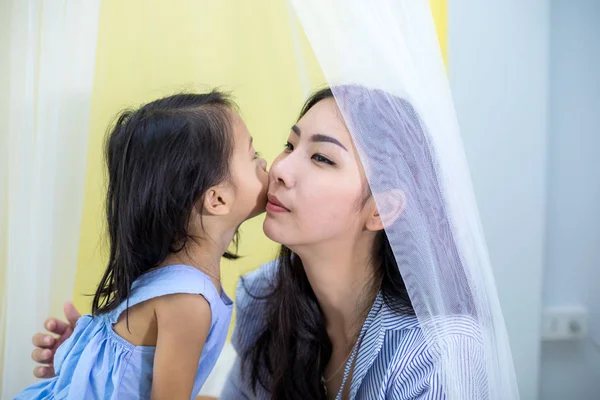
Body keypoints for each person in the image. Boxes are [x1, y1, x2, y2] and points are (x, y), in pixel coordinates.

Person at [31, 87, 484, 399]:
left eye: (322, 157)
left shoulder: (441, 354)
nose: (280, 169)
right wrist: (104, 371)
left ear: (381, 210)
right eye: (290, 144)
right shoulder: (262, 299)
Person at [19, 91, 269, 400]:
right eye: (254, 156)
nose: (266, 163)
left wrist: (82, 361)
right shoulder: (189, 302)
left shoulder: (168, 276)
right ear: (217, 199)